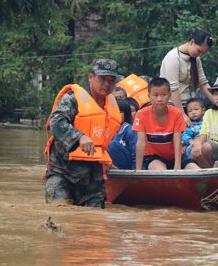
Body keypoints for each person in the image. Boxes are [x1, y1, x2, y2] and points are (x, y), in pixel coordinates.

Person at [44, 59, 122, 208]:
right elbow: (55, 122)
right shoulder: (73, 99)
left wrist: (108, 162)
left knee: (93, 224)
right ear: (91, 77)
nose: (106, 84)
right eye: (102, 79)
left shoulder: (112, 106)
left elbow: (103, 141)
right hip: (63, 173)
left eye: (111, 81)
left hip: (93, 179)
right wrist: (79, 137)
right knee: (59, 215)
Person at [133, 77, 200, 170]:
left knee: (195, 170)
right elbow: (141, 143)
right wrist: (138, 171)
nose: (159, 99)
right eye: (155, 95)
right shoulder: (141, 114)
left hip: (175, 156)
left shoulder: (176, 113)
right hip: (153, 157)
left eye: (163, 95)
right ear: (149, 96)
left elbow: (177, 141)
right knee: (161, 172)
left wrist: (177, 167)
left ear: (169, 95)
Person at [160, 30, 214, 125]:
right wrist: (182, 114)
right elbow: (173, 89)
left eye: (203, 53)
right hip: (172, 107)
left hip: (188, 106)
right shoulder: (173, 57)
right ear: (192, 42)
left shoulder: (195, 58)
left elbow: (203, 83)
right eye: (199, 51)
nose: (200, 55)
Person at [190, 75, 218, 168]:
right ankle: (210, 177)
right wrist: (197, 144)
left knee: (207, 146)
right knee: (195, 151)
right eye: (215, 94)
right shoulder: (209, 113)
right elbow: (203, 134)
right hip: (212, 149)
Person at [108, 99, 137, 170]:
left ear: (126, 114)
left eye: (120, 112)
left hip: (128, 166)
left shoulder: (130, 130)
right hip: (110, 164)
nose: (116, 114)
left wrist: (136, 174)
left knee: (113, 145)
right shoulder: (108, 130)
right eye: (114, 112)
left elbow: (135, 154)